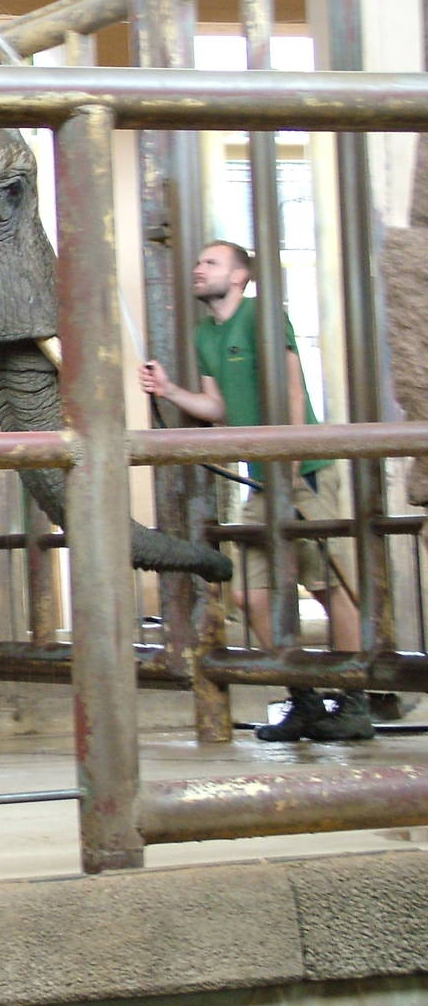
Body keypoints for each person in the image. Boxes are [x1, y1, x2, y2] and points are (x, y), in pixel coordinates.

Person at [138, 240, 372, 742]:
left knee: (326, 584)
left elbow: (290, 388)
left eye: (211, 262)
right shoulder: (205, 334)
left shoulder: (262, 314)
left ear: (239, 276)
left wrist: (289, 462)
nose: (198, 269)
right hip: (262, 478)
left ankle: (355, 701)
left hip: (302, 471)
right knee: (248, 592)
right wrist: (168, 391)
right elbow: (218, 407)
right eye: (198, 261)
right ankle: (304, 698)